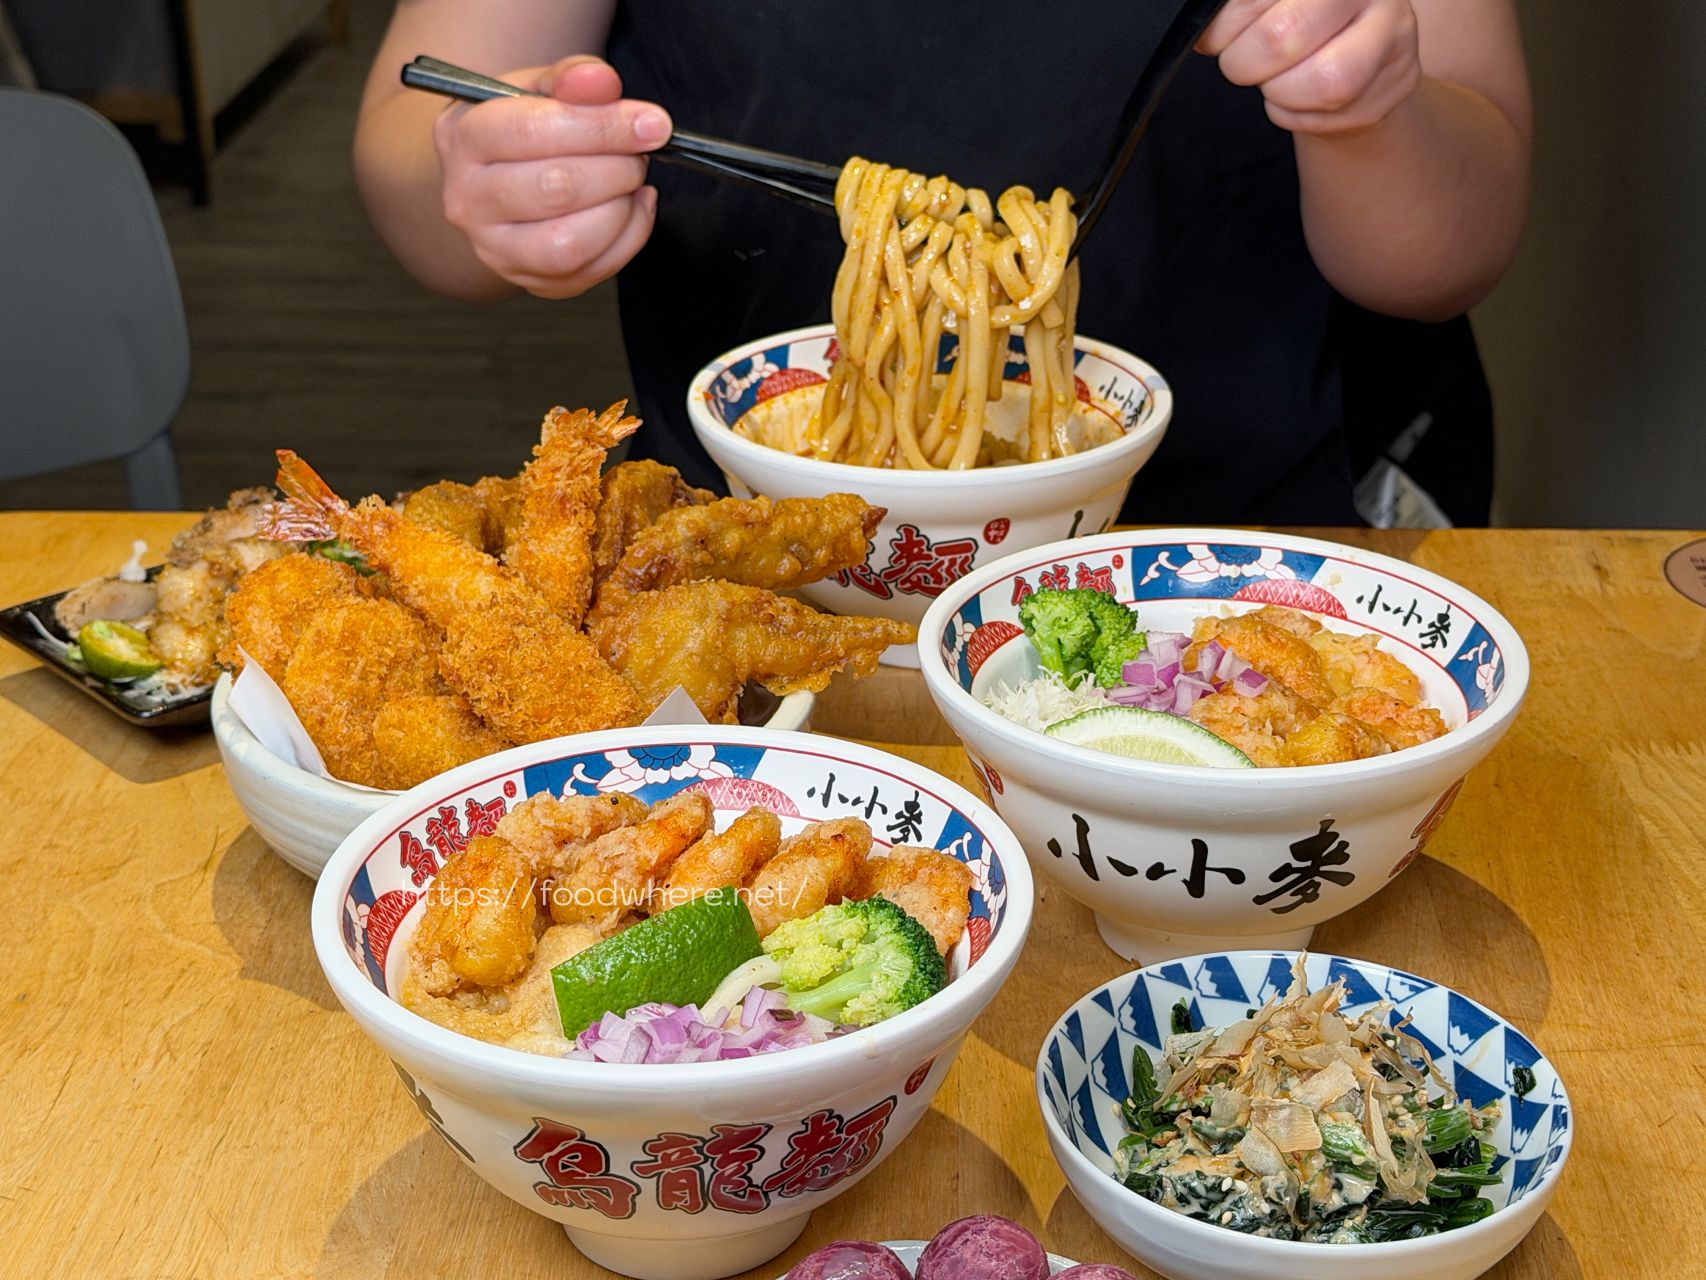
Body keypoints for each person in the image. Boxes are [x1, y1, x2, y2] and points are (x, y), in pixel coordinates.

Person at [354, 1, 1530, 526]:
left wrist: (1366, 106)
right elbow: (409, 163)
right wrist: (504, 175)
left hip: (1249, 531)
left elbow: (1449, 251)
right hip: (759, 540)